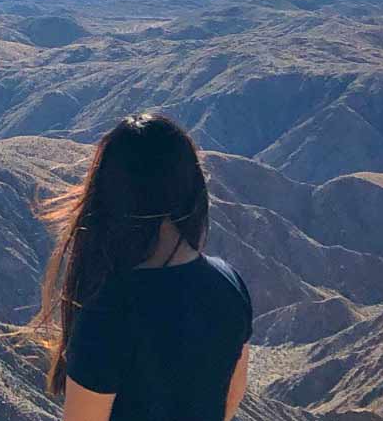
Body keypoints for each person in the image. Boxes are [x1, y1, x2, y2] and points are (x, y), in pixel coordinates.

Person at [30, 113, 253, 421]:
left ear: (106, 196)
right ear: (193, 186)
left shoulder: (108, 311)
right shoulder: (229, 284)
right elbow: (231, 397)